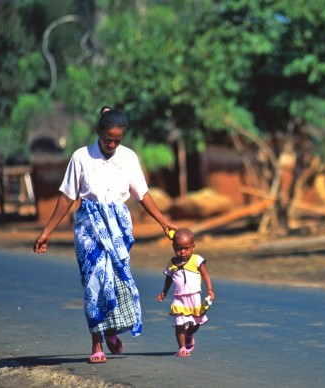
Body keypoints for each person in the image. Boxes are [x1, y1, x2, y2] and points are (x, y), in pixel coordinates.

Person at [33, 106, 177, 364]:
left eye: (117, 140)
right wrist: (47, 231)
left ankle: (111, 331)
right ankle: (96, 343)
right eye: (107, 138)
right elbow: (67, 197)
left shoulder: (129, 158)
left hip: (119, 226)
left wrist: (163, 222)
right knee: (95, 282)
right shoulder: (81, 157)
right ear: (99, 131)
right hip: (89, 224)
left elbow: (142, 194)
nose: (111, 144)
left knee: (118, 280)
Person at [157, 228, 215, 357]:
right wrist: (164, 292)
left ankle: (189, 334)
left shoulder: (197, 260)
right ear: (173, 247)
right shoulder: (171, 263)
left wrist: (210, 289)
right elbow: (168, 278)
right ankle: (182, 347)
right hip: (179, 299)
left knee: (196, 322)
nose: (182, 252)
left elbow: (205, 275)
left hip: (194, 298)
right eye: (178, 248)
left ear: (193, 247)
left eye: (186, 248)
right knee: (179, 323)